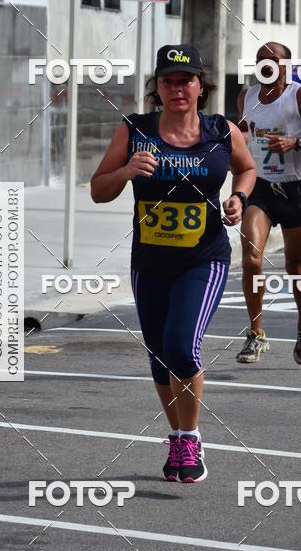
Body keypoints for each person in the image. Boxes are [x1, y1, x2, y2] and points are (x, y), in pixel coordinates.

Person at [91, 45, 256, 483]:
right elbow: (98, 189)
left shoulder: (222, 131)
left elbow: (247, 169)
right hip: (150, 260)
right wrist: (126, 172)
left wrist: (238, 198)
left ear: (202, 86)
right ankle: (178, 436)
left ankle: (189, 438)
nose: (177, 88)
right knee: (160, 357)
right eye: (168, 81)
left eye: (186, 80)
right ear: (157, 88)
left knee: (182, 346)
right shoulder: (135, 131)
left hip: (203, 259)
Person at [235, 41, 301, 366]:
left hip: (295, 189)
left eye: (272, 60)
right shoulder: (246, 97)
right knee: (251, 259)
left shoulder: (300, 95)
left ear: (285, 65)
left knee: (295, 268)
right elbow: (242, 134)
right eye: (260, 60)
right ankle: (256, 334)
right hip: (261, 189)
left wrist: (296, 142)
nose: (265, 65)